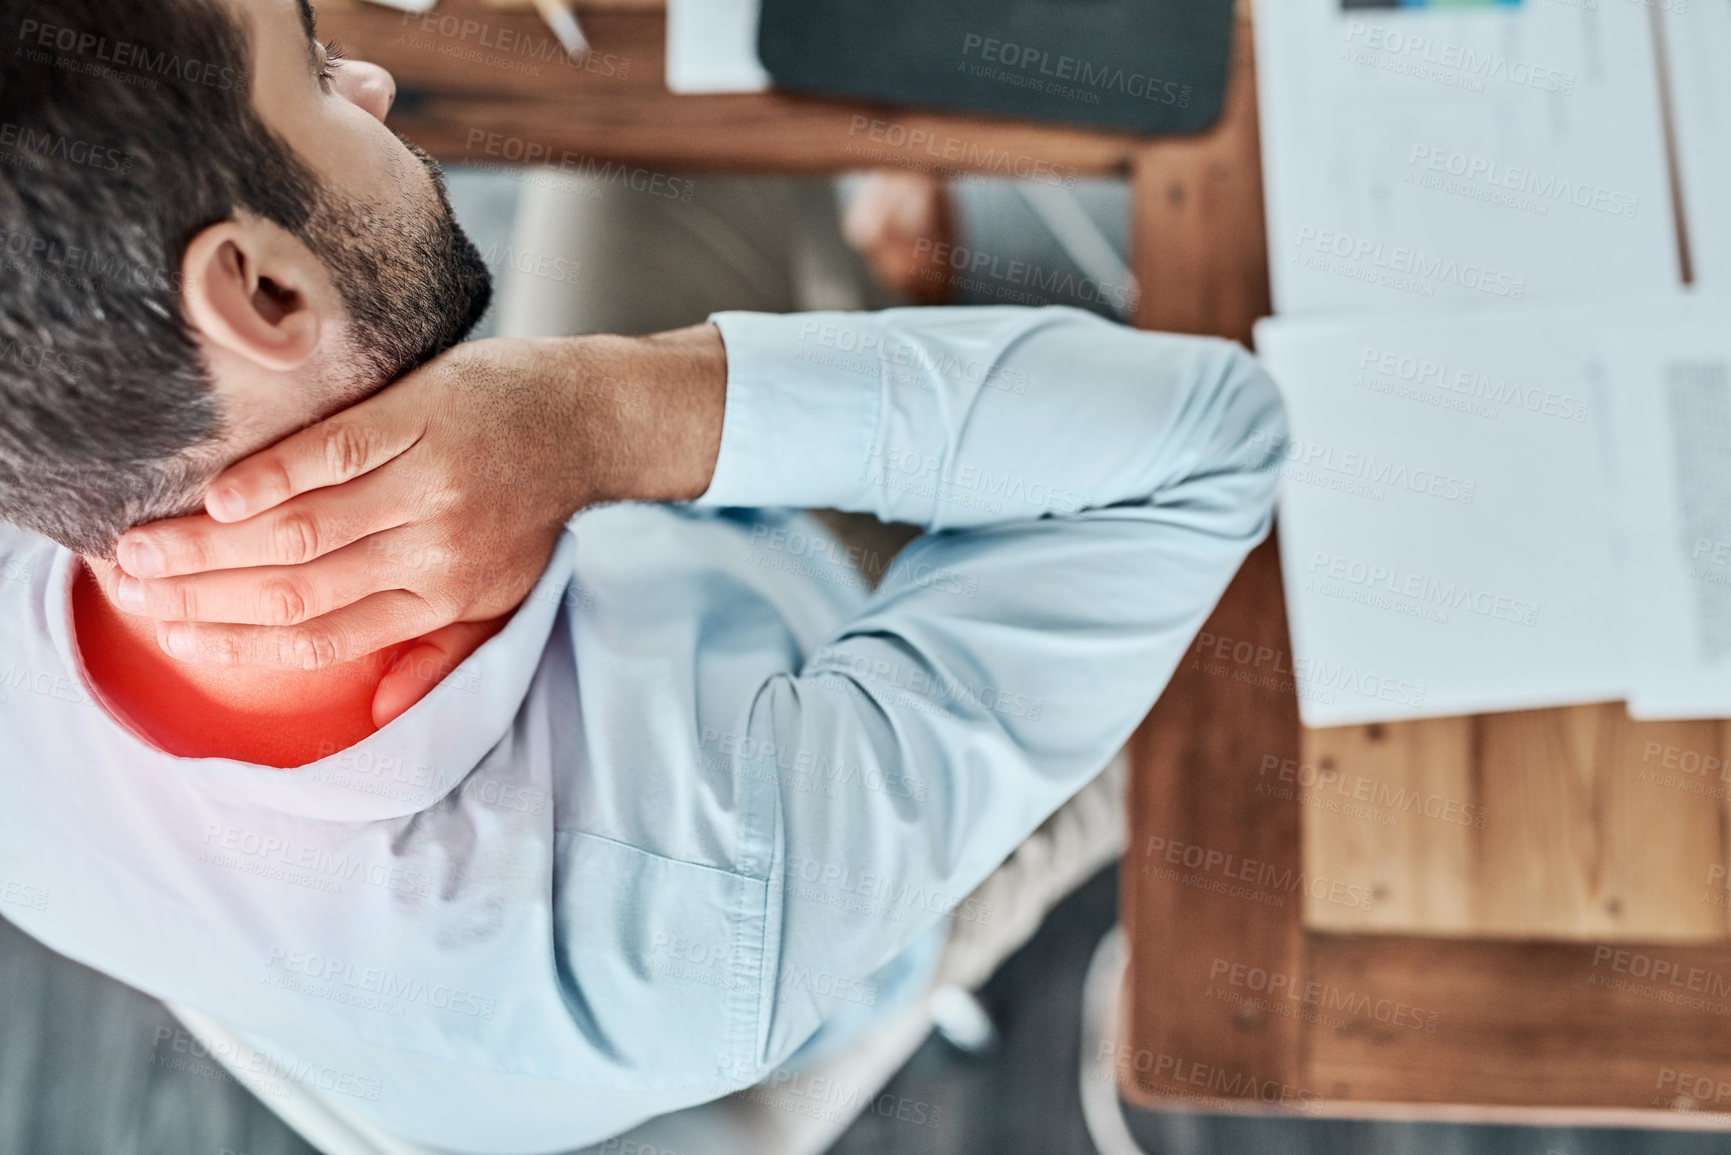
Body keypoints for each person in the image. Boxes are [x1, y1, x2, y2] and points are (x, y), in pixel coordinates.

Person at [0, 0, 1288, 1151]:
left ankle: (888, 279)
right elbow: (1218, 438)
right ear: (265, 292)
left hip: (680, 578)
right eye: (317, 68)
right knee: (1263, 648)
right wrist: (612, 420)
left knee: (676, 63)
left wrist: (589, 425)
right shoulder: (705, 889)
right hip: (826, 799)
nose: (376, 79)